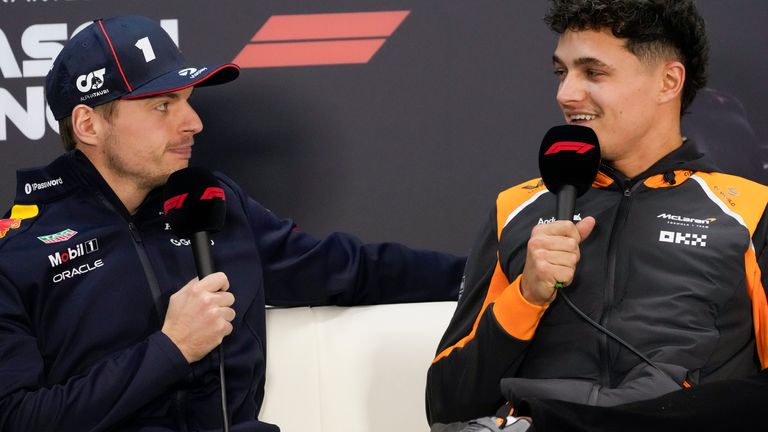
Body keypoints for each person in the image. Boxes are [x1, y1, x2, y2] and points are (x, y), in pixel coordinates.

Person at [0, 15, 465, 431]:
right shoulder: (18, 252)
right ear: (88, 125)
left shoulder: (210, 200)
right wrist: (172, 346)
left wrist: (487, 272)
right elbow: (17, 418)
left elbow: (348, 270)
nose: (193, 122)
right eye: (162, 105)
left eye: (187, 99)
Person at [426, 0, 768, 430]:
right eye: (561, 72)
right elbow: (446, 406)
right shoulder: (515, 209)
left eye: (593, 72)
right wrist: (526, 296)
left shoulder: (751, 213)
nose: (565, 94)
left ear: (668, 81)